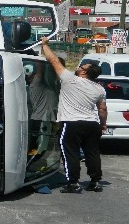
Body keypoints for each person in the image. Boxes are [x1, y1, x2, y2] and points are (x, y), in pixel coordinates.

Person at [41, 37, 107, 193]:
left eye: (81, 66)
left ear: (83, 72)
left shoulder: (71, 80)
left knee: (70, 152)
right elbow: (102, 109)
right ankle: (95, 181)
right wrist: (103, 124)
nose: (78, 66)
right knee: (93, 153)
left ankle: (73, 182)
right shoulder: (99, 89)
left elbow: (54, 61)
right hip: (92, 124)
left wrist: (44, 45)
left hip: (72, 124)